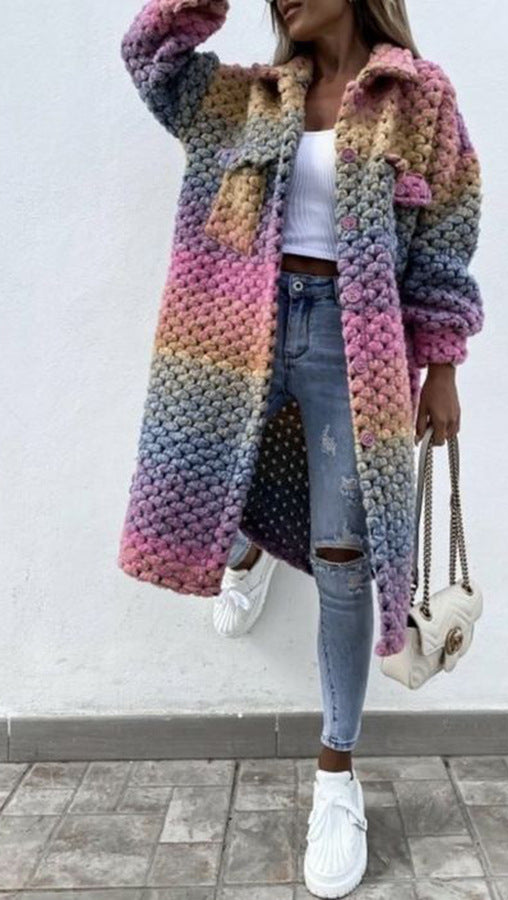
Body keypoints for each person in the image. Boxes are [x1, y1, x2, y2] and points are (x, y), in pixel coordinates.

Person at [118, 0, 484, 895]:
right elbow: (149, 57)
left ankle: (336, 778)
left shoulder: (418, 97)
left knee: (346, 560)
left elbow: (446, 235)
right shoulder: (248, 98)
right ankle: (250, 547)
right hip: (234, 331)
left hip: (353, 348)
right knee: (204, 484)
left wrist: (441, 367)